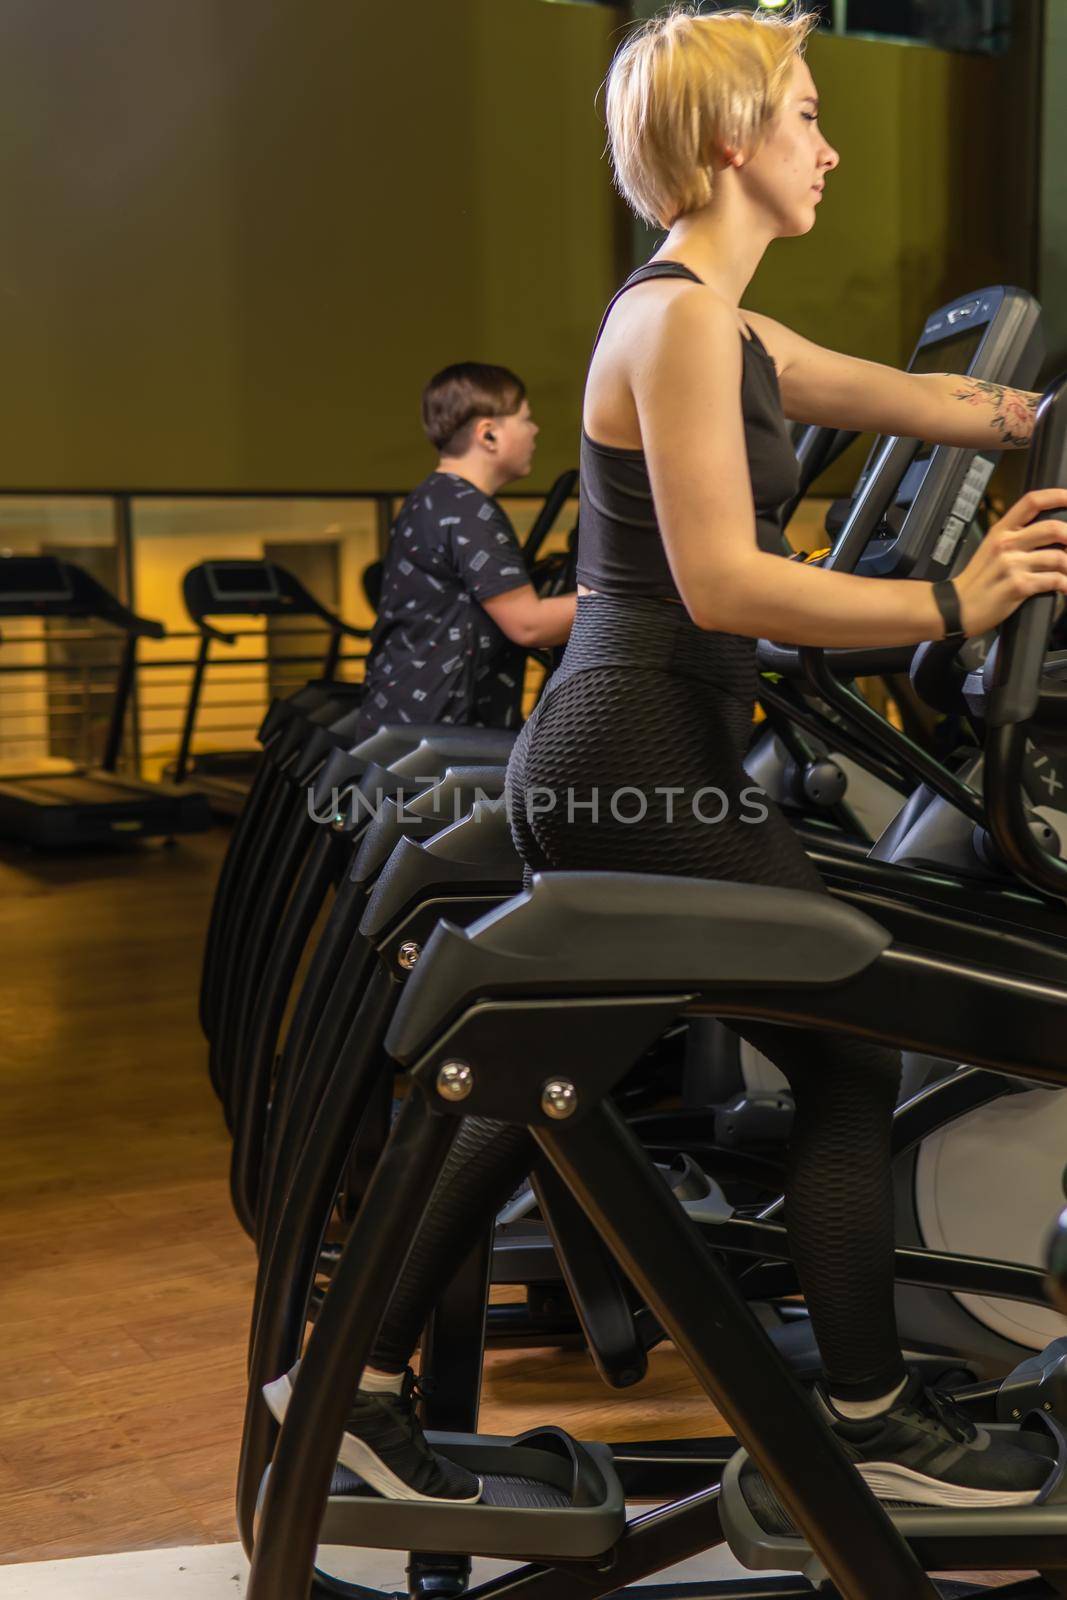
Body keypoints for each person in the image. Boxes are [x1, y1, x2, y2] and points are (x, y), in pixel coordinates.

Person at [267, 5, 1067, 1509]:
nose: (828, 144)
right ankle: (873, 1428)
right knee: (845, 1047)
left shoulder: (727, 326)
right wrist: (955, 597)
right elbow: (725, 587)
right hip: (634, 757)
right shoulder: (678, 322)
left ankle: (348, 1384)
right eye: (808, 116)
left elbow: (933, 403)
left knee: (537, 1077)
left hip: (635, 752)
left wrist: (1033, 416)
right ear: (729, 142)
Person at [352, 363, 575, 739]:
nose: (534, 430)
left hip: (405, 715)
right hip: (439, 732)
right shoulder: (469, 511)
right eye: (525, 418)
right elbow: (529, 625)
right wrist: (623, 597)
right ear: (488, 435)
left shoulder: (433, 496)